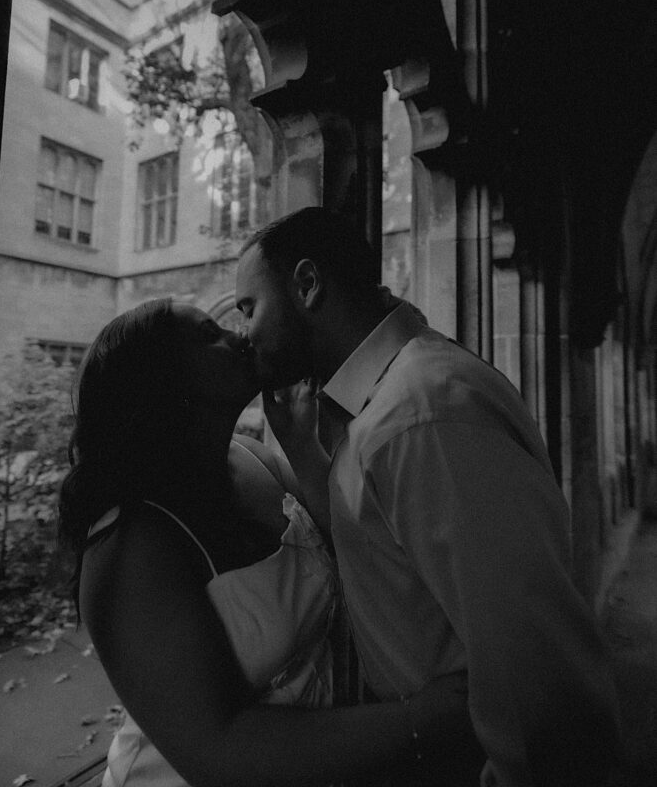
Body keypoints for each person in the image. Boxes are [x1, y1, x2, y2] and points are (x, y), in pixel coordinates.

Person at [235, 206, 623, 787]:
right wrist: (297, 442)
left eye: (249, 308)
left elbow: (538, 680)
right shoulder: (386, 406)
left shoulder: (420, 416)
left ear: (308, 286)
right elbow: (381, 562)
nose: (245, 334)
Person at [58, 297, 471, 787]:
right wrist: (428, 717)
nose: (240, 337)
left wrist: (299, 443)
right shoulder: (131, 545)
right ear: (164, 382)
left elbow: (351, 552)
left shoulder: (253, 458)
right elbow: (218, 750)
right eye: (210, 334)